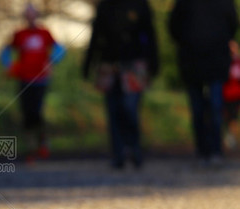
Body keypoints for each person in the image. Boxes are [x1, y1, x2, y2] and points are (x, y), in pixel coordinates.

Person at [83, 0, 158, 169]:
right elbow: (96, 35)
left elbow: (150, 34)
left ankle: (134, 148)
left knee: (130, 108)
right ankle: (119, 153)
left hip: (134, 65)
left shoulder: (140, 5)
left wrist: (153, 63)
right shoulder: (105, 6)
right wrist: (88, 64)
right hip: (109, 66)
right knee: (113, 110)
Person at [169, 0, 239, 164]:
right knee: (199, 109)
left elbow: (233, 24)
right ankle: (203, 150)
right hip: (193, 61)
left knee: (215, 107)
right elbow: (174, 26)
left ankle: (215, 150)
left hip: (214, 61)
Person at [0, 3, 65, 162]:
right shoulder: (19, 34)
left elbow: (60, 50)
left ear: (36, 15)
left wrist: (51, 61)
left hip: (41, 80)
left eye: (32, 14)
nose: (30, 17)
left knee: (37, 112)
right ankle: (30, 149)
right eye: (27, 14)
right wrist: (11, 66)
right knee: (27, 113)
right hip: (24, 79)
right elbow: (5, 53)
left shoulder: (44, 33)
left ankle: (42, 142)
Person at [222, 41, 240, 150]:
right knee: (225, 117)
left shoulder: (237, 62)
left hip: (235, 95)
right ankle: (228, 137)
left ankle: (232, 138)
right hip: (224, 94)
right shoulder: (223, 62)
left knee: (233, 118)